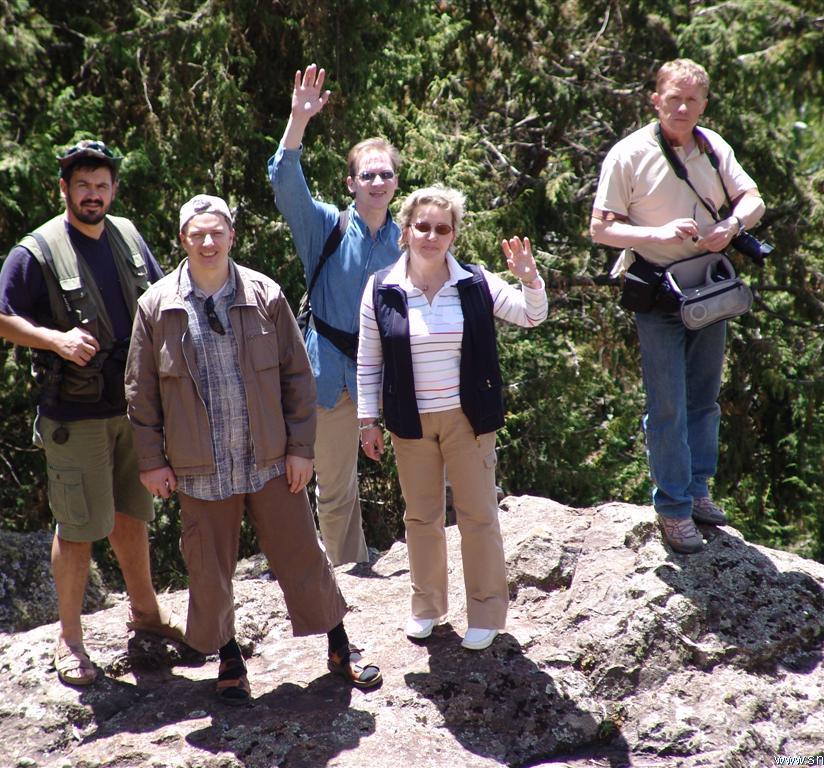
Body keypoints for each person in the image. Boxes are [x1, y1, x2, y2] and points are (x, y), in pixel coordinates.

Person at [124, 194, 382, 704]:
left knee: (302, 554)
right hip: (200, 468)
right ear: (183, 240)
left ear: (231, 237)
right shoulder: (156, 306)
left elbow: (297, 376)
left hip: (270, 460)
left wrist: (301, 448)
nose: (208, 241)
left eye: (216, 232)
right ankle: (229, 659)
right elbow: (141, 390)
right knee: (209, 569)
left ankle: (339, 647)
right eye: (197, 233)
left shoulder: (265, 294)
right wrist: (151, 461)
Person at [0, 139, 184, 686]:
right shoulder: (37, 250)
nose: (92, 195)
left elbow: (162, 299)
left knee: (131, 514)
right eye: (83, 186)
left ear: (113, 189)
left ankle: (146, 613)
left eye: (101, 185)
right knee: (78, 527)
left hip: (132, 407)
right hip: (74, 413)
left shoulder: (128, 236)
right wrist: (55, 339)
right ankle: (69, 640)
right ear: (65, 189)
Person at [356, 185, 548, 651]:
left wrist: (530, 279)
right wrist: (367, 421)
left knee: (478, 516)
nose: (431, 236)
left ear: (453, 235)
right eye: (422, 226)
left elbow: (531, 316)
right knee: (421, 518)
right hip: (410, 420)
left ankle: (486, 612)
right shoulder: (382, 287)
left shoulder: (475, 282)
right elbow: (369, 359)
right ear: (406, 231)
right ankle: (427, 607)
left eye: (442, 228)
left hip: (468, 418)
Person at [590, 59, 766, 554]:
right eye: (674, 98)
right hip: (658, 290)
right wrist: (656, 234)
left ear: (704, 104)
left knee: (704, 398)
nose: (683, 108)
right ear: (655, 100)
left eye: (692, 100)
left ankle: (697, 490)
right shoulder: (629, 154)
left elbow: (752, 199)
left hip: (707, 288)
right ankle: (672, 508)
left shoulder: (712, 146)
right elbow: (601, 228)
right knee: (666, 404)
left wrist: (731, 227)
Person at [267, 63, 402, 566]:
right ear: (351, 183)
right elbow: (285, 182)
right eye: (367, 174)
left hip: (387, 376)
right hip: (325, 374)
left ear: (395, 183)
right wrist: (299, 120)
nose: (377, 181)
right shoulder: (326, 226)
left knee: (419, 474)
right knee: (335, 486)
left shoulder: (408, 240)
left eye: (385, 174)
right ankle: (347, 577)